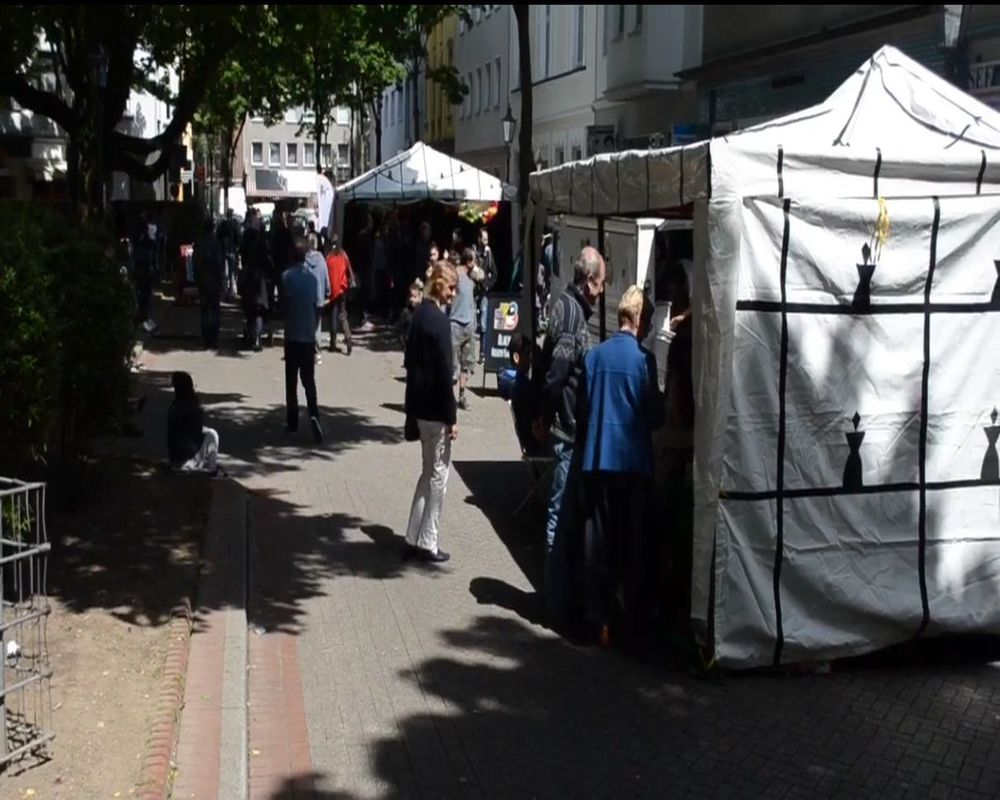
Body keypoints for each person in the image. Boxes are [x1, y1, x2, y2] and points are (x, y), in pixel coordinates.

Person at [578, 286, 664, 649]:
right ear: (640, 319)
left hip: (598, 459)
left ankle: (596, 619)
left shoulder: (594, 357)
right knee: (632, 544)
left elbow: (583, 410)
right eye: (649, 320)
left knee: (597, 543)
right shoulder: (644, 361)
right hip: (632, 464)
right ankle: (632, 624)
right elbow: (655, 416)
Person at [538, 246, 606, 624]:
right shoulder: (570, 313)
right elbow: (558, 371)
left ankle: (560, 598)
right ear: (589, 280)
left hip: (568, 427)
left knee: (565, 515)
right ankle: (556, 604)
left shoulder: (570, 307)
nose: (602, 290)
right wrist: (547, 415)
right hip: (567, 429)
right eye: (601, 282)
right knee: (560, 517)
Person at [403, 261, 459, 564]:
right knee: (439, 475)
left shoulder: (418, 316)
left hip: (419, 408)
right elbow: (445, 373)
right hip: (436, 411)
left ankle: (413, 536)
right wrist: (452, 418)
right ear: (439, 285)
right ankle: (428, 540)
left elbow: (410, 365)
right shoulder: (439, 321)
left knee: (427, 472)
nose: (453, 294)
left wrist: (410, 410)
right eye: (451, 288)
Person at [282, 235, 324, 443]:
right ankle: (314, 414)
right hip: (308, 335)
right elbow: (317, 304)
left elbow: (284, 303)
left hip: (292, 334)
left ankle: (292, 421)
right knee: (309, 380)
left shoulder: (287, 277)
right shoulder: (312, 279)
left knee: (291, 381)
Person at [167, 371, 220, 474]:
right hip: (189, 461)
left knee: (205, 434)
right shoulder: (192, 406)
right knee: (212, 434)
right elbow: (196, 432)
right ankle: (212, 469)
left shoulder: (174, 406)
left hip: (175, 459)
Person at [507, 332, 546, 456]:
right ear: (517, 358)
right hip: (535, 442)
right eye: (528, 353)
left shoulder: (522, 383)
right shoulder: (522, 387)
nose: (530, 358)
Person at [450, 248, 478, 411]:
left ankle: (462, 396)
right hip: (455, 324)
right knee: (452, 367)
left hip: (469, 326)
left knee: (467, 365)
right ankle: (448, 397)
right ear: (468, 261)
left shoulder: (472, 276)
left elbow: (485, 276)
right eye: (474, 260)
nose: (476, 263)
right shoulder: (455, 276)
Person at [238, 227, 271, 351]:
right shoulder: (262, 248)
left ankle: (252, 336)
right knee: (258, 312)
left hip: (249, 283)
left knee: (250, 312)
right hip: (260, 284)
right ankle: (257, 338)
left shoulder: (246, 250)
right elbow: (269, 265)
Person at [193, 218, 224, 348]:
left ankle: (206, 338)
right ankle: (214, 338)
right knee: (215, 309)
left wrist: (196, 277)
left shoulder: (199, 243)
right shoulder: (216, 243)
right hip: (214, 280)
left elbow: (195, 262)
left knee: (205, 309)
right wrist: (221, 278)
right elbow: (219, 263)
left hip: (203, 279)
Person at [325, 233, 354, 355]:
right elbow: (349, 269)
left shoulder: (328, 257)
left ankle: (333, 343)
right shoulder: (343, 254)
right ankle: (348, 338)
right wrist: (351, 281)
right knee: (343, 315)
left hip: (332, 290)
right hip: (342, 289)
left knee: (333, 315)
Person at [305, 232, 331, 365]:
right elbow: (326, 277)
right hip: (319, 297)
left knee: (306, 324)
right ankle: (317, 352)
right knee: (317, 325)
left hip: (306, 297)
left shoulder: (304, 260)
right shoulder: (321, 259)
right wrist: (327, 292)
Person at [475, 227, 497, 362]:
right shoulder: (473, 253)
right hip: (473, 292)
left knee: (484, 323)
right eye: (484, 239)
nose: (486, 242)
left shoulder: (489, 254)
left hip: (484, 292)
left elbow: (494, 273)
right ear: (479, 239)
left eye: (487, 239)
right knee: (471, 323)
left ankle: (482, 352)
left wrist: (487, 285)